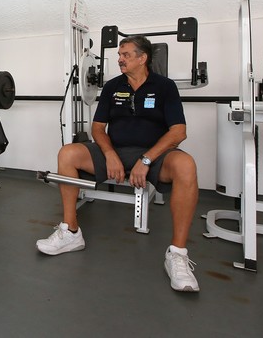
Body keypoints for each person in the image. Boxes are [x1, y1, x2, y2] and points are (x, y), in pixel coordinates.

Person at [36, 35, 200, 292]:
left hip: (154, 155)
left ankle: (177, 254)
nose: (120, 60)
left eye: (125, 55)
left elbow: (178, 132)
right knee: (67, 154)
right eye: (120, 55)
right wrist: (110, 154)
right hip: (115, 150)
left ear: (142, 58)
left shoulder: (165, 87)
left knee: (186, 165)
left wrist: (146, 160)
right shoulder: (113, 87)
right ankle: (70, 232)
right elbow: (98, 128)